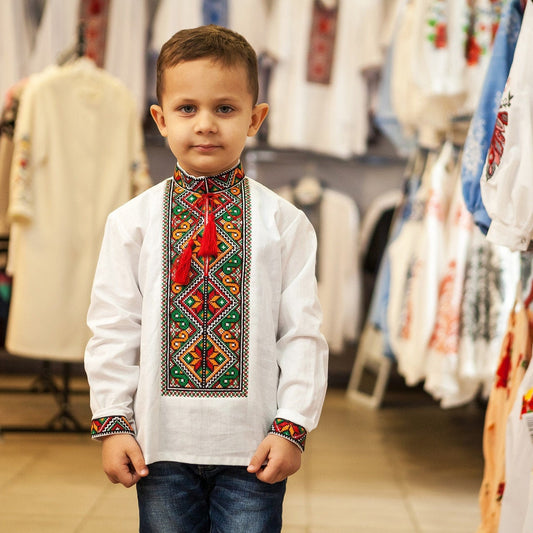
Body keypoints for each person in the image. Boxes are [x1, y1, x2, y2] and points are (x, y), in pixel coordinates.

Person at [84, 25, 328, 533]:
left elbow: (301, 332)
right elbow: (113, 327)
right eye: (187, 108)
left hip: (253, 450)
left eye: (225, 108)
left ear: (255, 118)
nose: (206, 125)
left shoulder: (285, 223)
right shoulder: (132, 221)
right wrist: (113, 423)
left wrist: (293, 426)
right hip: (160, 447)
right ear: (160, 119)